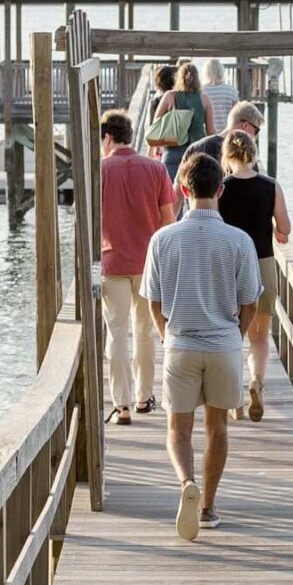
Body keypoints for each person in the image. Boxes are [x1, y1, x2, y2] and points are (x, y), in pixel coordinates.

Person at [140, 151, 260, 539]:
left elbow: (154, 301)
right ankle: (207, 507)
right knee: (218, 428)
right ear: (220, 190)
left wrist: (165, 334)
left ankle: (185, 483)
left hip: (181, 344)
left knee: (178, 430)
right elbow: (250, 302)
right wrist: (234, 337)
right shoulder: (239, 241)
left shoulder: (162, 240)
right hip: (224, 344)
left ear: (182, 189)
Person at [99, 109, 175, 423]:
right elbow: (169, 221)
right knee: (144, 333)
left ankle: (122, 405)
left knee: (116, 333)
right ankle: (144, 398)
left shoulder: (99, 170)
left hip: (111, 261)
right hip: (149, 265)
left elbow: (86, 219)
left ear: (107, 138)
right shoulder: (156, 169)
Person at [217, 127, 291, 423]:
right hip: (262, 266)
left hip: (229, 268)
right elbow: (285, 229)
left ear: (227, 155)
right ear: (252, 153)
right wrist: (274, 229)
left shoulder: (221, 188)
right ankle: (257, 383)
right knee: (259, 338)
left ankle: (234, 399)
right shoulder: (270, 186)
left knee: (231, 336)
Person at [150, 59, 209, 181]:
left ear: (178, 78)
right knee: (193, 191)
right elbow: (210, 129)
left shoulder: (170, 96)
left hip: (172, 150)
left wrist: (153, 147)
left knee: (170, 193)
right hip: (197, 151)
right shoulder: (204, 98)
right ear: (197, 79)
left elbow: (156, 123)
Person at [201, 59, 237, 136]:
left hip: (207, 137)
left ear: (206, 73)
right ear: (222, 72)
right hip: (227, 135)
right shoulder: (232, 90)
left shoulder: (201, 91)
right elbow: (236, 117)